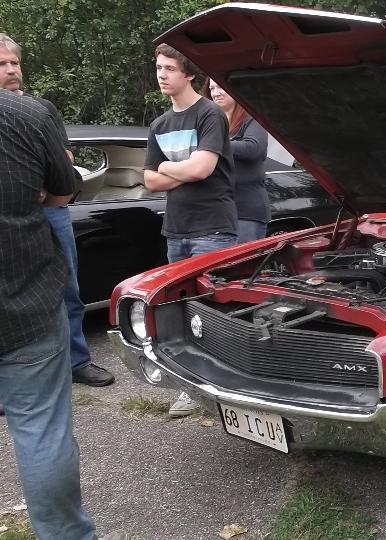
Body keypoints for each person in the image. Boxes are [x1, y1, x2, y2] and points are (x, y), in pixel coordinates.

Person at [0, 67, 98, 539]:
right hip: (26, 304)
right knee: (41, 430)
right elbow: (62, 191)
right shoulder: (26, 115)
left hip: (27, 306)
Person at [0, 33, 115, 386]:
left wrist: (39, 189)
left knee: (68, 290)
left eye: (14, 62)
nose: (11, 70)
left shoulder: (41, 110)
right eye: (2, 64)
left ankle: (76, 361)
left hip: (51, 214)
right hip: (9, 218)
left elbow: (64, 163)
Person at [143, 44, 236, 418]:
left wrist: (168, 169)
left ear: (189, 74)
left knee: (211, 310)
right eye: (158, 68)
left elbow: (202, 170)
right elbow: (149, 180)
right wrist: (177, 171)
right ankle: (189, 387)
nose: (162, 75)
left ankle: (226, 387)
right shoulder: (159, 125)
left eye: (169, 68)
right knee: (177, 313)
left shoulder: (209, 114)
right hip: (176, 229)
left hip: (212, 227)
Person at [203, 77, 271, 243]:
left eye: (220, 87)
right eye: (212, 89)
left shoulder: (252, 118)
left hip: (246, 211)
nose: (216, 93)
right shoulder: (209, 122)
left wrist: (214, 144)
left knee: (243, 260)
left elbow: (253, 148)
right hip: (215, 212)